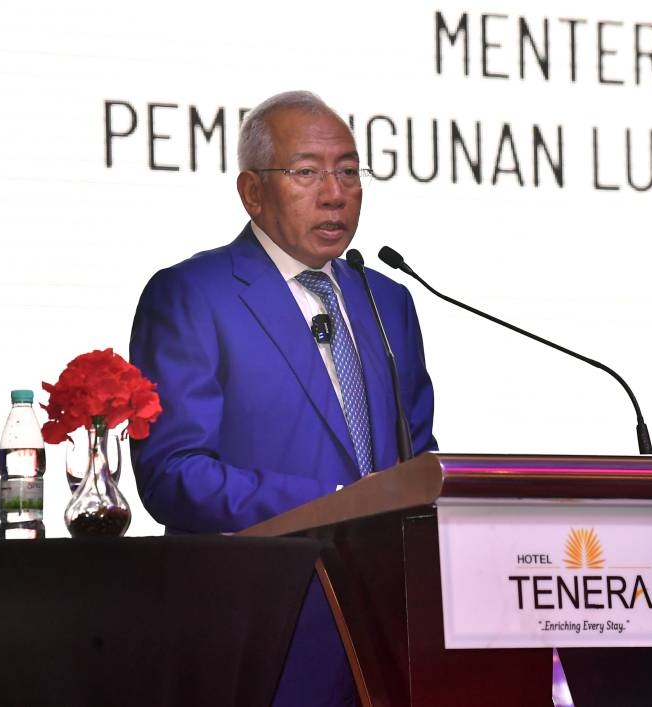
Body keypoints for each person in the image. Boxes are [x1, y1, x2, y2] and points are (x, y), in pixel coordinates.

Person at [129, 90, 437, 706]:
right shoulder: (194, 294)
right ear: (252, 191)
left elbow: (419, 460)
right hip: (259, 632)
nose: (335, 193)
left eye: (349, 171)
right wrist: (336, 504)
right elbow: (174, 474)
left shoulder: (388, 300)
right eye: (307, 173)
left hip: (390, 631)